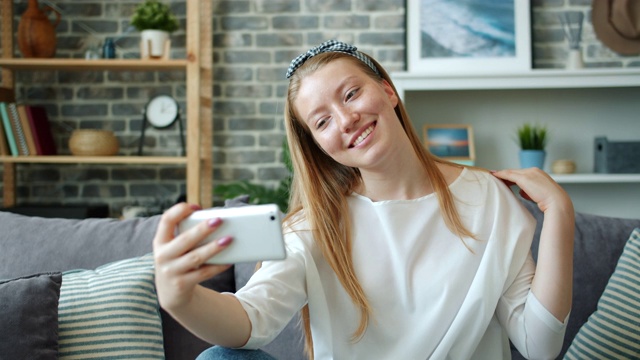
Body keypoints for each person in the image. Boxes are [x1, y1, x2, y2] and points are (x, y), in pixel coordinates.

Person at [153, 40, 575, 359]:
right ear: (320, 145)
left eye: (351, 94)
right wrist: (181, 299)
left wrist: (559, 213)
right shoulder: (312, 228)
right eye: (322, 121)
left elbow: (539, 345)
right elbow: (249, 321)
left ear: (389, 92)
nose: (346, 119)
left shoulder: (489, 200)